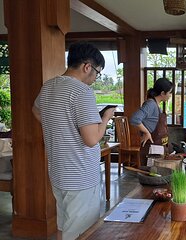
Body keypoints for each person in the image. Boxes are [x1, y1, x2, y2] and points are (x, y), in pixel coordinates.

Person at [32, 41, 115, 240]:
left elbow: (35, 111)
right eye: (97, 72)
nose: (95, 78)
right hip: (80, 175)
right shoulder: (81, 91)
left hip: (58, 172)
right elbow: (92, 139)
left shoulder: (49, 85)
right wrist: (106, 118)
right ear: (87, 67)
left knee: (63, 225)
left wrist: (61, 127)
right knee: (81, 232)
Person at [130, 77, 173, 166]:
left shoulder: (156, 105)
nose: (170, 95)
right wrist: (146, 132)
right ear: (162, 93)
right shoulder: (151, 104)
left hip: (158, 147)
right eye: (170, 93)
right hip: (151, 149)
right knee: (151, 176)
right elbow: (134, 119)